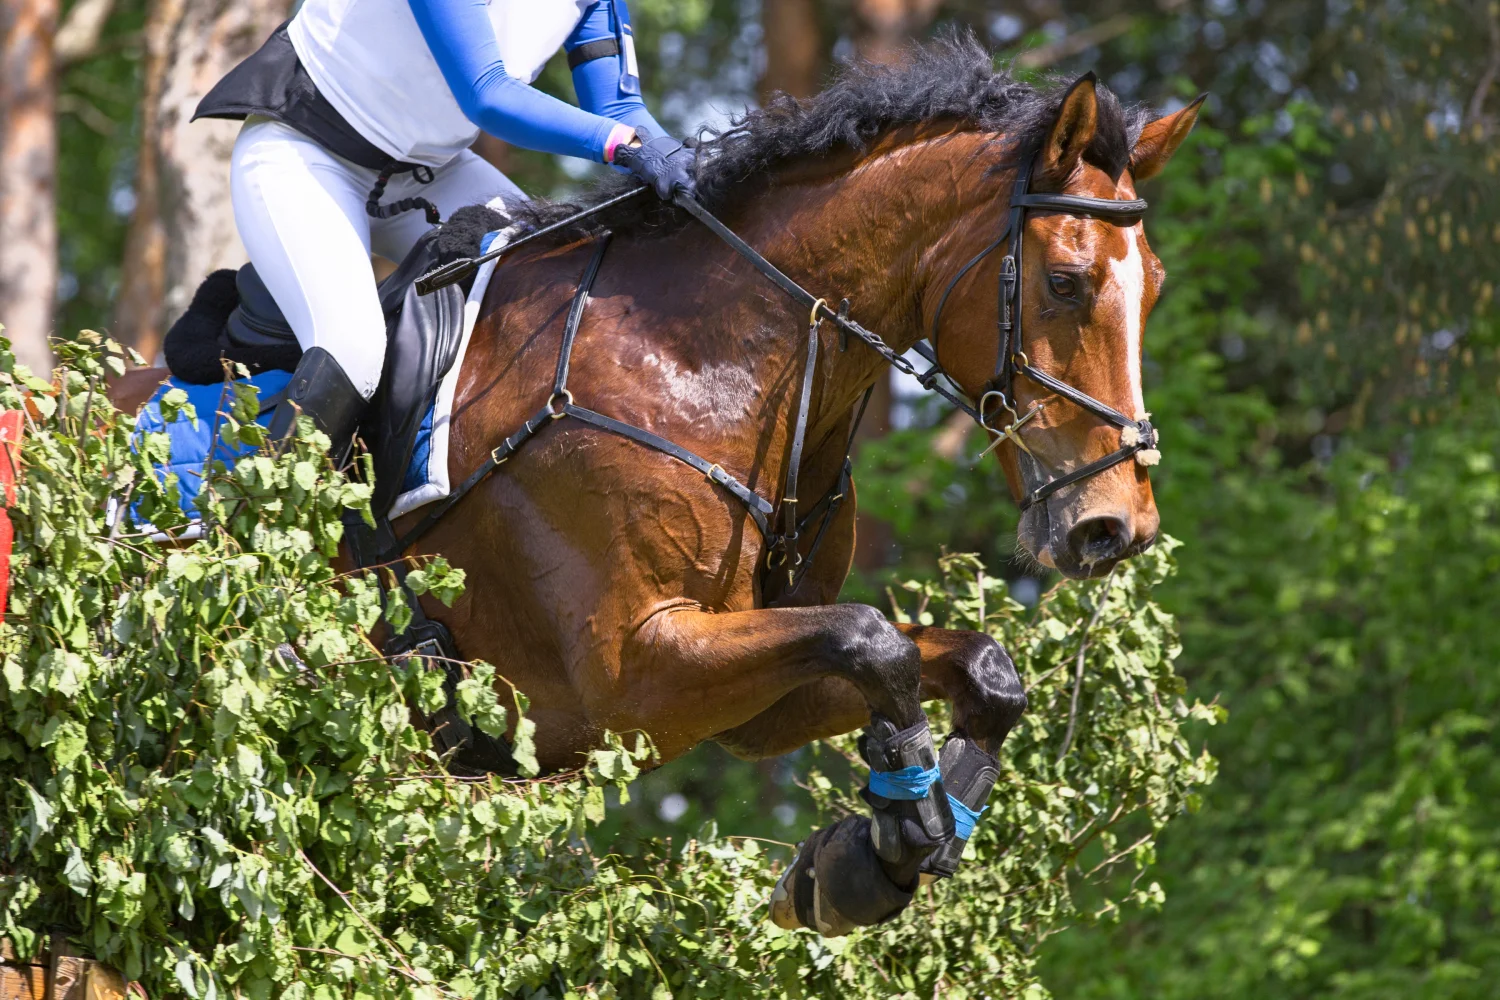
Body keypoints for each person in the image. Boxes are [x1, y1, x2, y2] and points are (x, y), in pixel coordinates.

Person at [194, 0, 695, 450]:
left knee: (556, 291)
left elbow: (621, 109)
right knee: (354, 347)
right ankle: (266, 530)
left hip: (429, 172)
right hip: (304, 150)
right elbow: (487, 94)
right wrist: (627, 146)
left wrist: (694, 166)